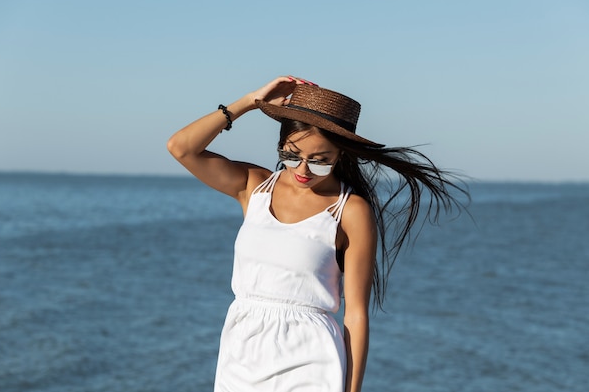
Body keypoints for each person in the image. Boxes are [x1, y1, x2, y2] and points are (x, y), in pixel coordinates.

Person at [167, 75, 465, 392]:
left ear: (340, 156)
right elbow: (181, 148)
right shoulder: (254, 187)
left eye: (320, 161)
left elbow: (357, 316)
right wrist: (249, 102)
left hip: (311, 360)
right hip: (240, 354)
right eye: (291, 155)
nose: (303, 170)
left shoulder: (350, 211)